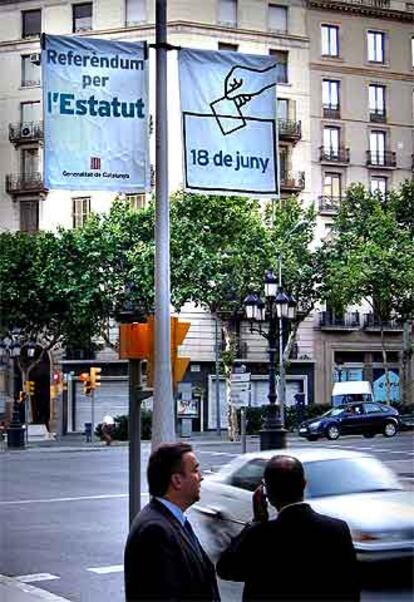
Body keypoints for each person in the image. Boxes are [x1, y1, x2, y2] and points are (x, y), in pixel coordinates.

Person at [217, 455, 360, 601]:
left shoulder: (260, 535)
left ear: (267, 493)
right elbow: (350, 587)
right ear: (304, 484)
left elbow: (226, 569)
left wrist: (256, 521)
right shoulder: (337, 530)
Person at [124, 442, 220, 601]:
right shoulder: (155, 531)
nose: (201, 477)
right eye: (195, 470)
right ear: (177, 480)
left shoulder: (173, 520)